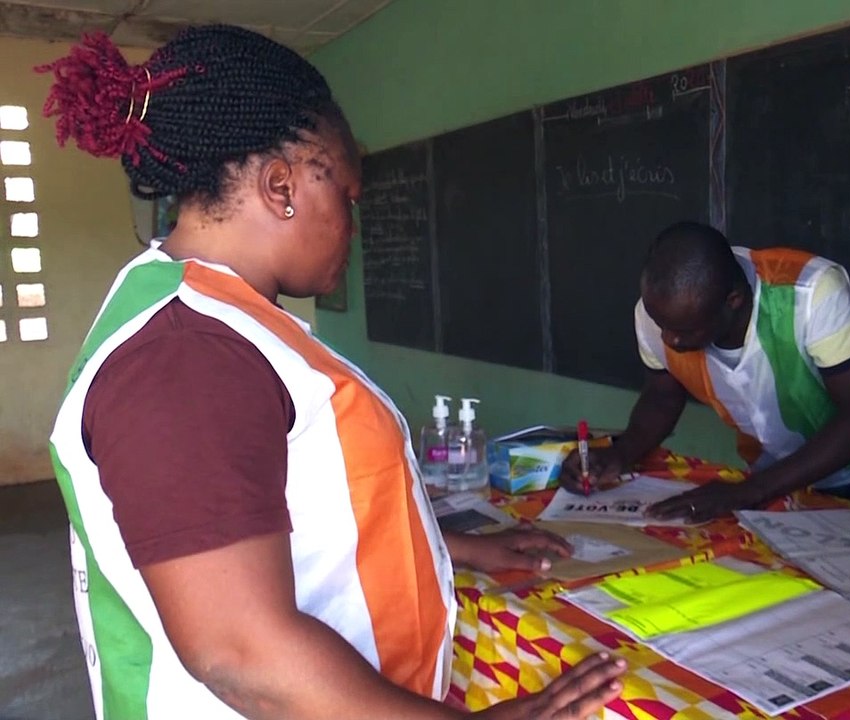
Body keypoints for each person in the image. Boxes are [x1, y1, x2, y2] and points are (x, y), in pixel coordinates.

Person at [41, 26, 624, 720]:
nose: (354, 223)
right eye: (347, 195)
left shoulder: (219, 321)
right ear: (281, 186)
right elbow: (242, 654)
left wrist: (457, 548)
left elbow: (285, 506)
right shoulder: (186, 355)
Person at [563, 222, 850, 522]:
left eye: (684, 330)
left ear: (733, 300)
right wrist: (622, 452)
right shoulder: (661, 314)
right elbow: (662, 397)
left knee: (825, 542)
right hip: (768, 447)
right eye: (661, 324)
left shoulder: (810, 294)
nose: (668, 339)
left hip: (844, 443)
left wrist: (749, 491)